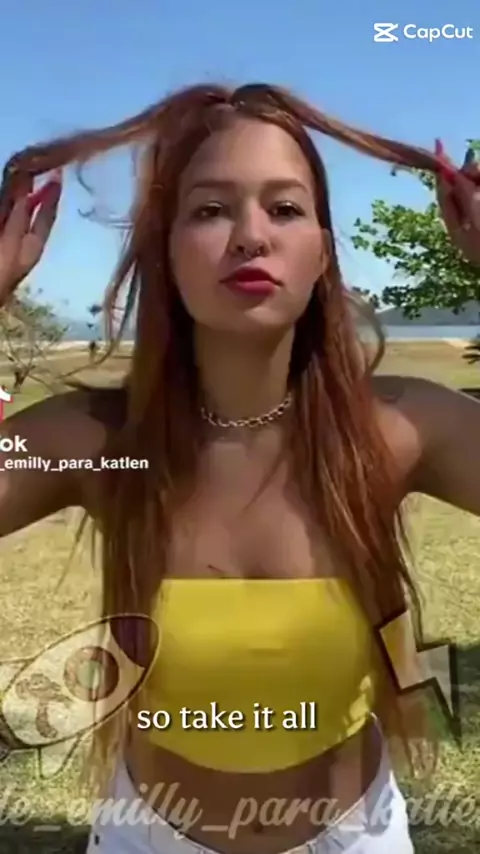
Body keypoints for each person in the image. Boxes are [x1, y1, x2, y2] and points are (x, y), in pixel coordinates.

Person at [0, 83, 479, 854]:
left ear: (323, 250)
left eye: (284, 208)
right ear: (164, 250)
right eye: (211, 210)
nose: (251, 236)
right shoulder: (100, 440)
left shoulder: (399, 430)